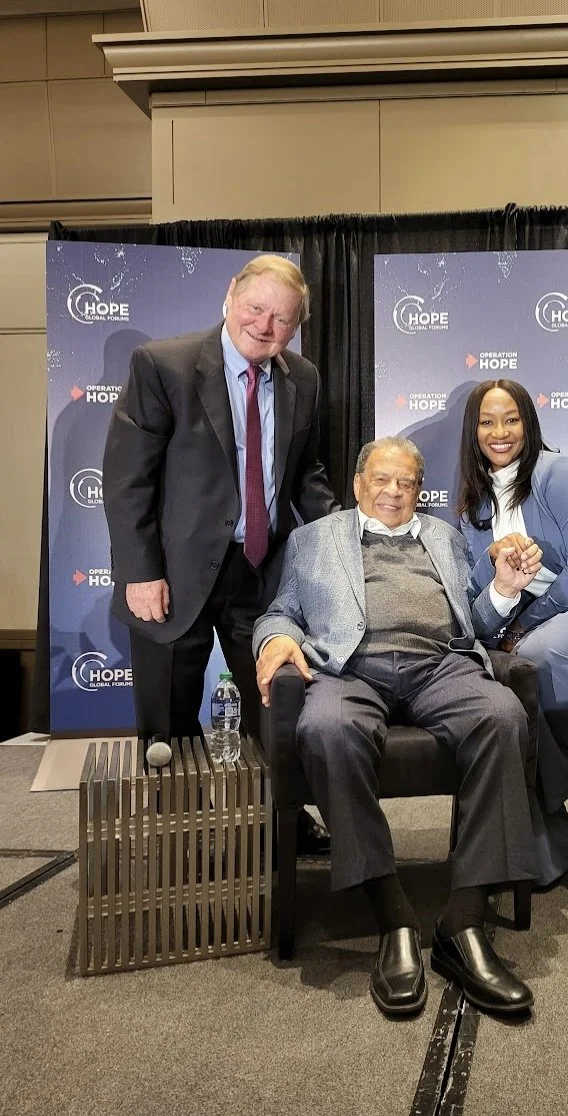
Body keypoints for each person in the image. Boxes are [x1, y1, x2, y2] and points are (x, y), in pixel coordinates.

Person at [253, 436, 540, 1017]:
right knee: (327, 729)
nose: (393, 491)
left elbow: (474, 625)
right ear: (358, 484)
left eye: (405, 483)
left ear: (418, 489)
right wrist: (276, 636)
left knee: (503, 716)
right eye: (381, 480)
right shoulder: (313, 539)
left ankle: (463, 926)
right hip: (350, 668)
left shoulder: (443, 536)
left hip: (439, 665)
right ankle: (394, 918)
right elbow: (280, 610)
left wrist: (504, 591)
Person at [102, 254, 338, 851]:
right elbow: (128, 478)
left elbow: (303, 472)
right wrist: (139, 572)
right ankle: (175, 832)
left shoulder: (302, 378)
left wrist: (343, 539)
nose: (264, 325)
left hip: (260, 572)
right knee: (170, 717)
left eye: (282, 318)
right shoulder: (164, 365)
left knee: (273, 706)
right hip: (174, 576)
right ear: (231, 297)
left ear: (296, 326)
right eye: (256, 308)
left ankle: (279, 820)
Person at [457, 380, 568, 887]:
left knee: (538, 653)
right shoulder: (474, 506)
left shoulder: (561, 474)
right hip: (537, 613)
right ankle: (532, 823)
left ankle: (560, 778)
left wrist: (524, 623)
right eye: (487, 421)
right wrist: (497, 618)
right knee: (488, 664)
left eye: (510, 419)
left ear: (529, 423)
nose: (499, 431)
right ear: (474, 431)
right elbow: (479, 603)